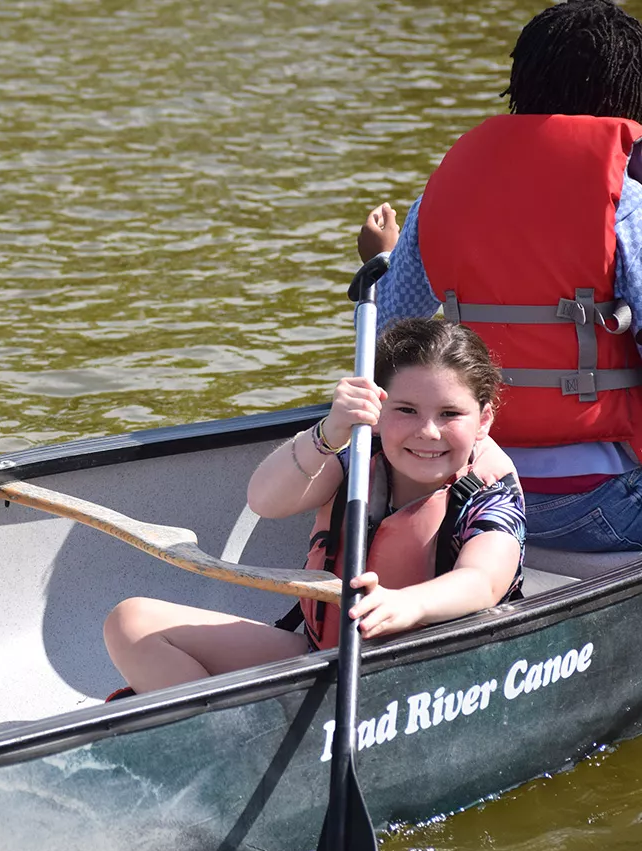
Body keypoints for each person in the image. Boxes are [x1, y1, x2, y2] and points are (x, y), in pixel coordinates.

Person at [103, 319, 525, 695]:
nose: (427, 432)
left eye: (450, 413)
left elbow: (482, 580)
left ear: (484, 419)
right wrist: (331, 429)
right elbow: (265, 501)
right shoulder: (357, 459)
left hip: (429, 679)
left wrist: (409, 604)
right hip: (327, 655)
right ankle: (226, 742)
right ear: (377, 410)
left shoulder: (488, 493)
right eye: (406, 410)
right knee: (131, 623)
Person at [357, 0, 642, 552]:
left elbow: (382, 336)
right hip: (603, 502)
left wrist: (382, 259)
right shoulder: (626, 204)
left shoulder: (442, 195)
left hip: (477, 492)